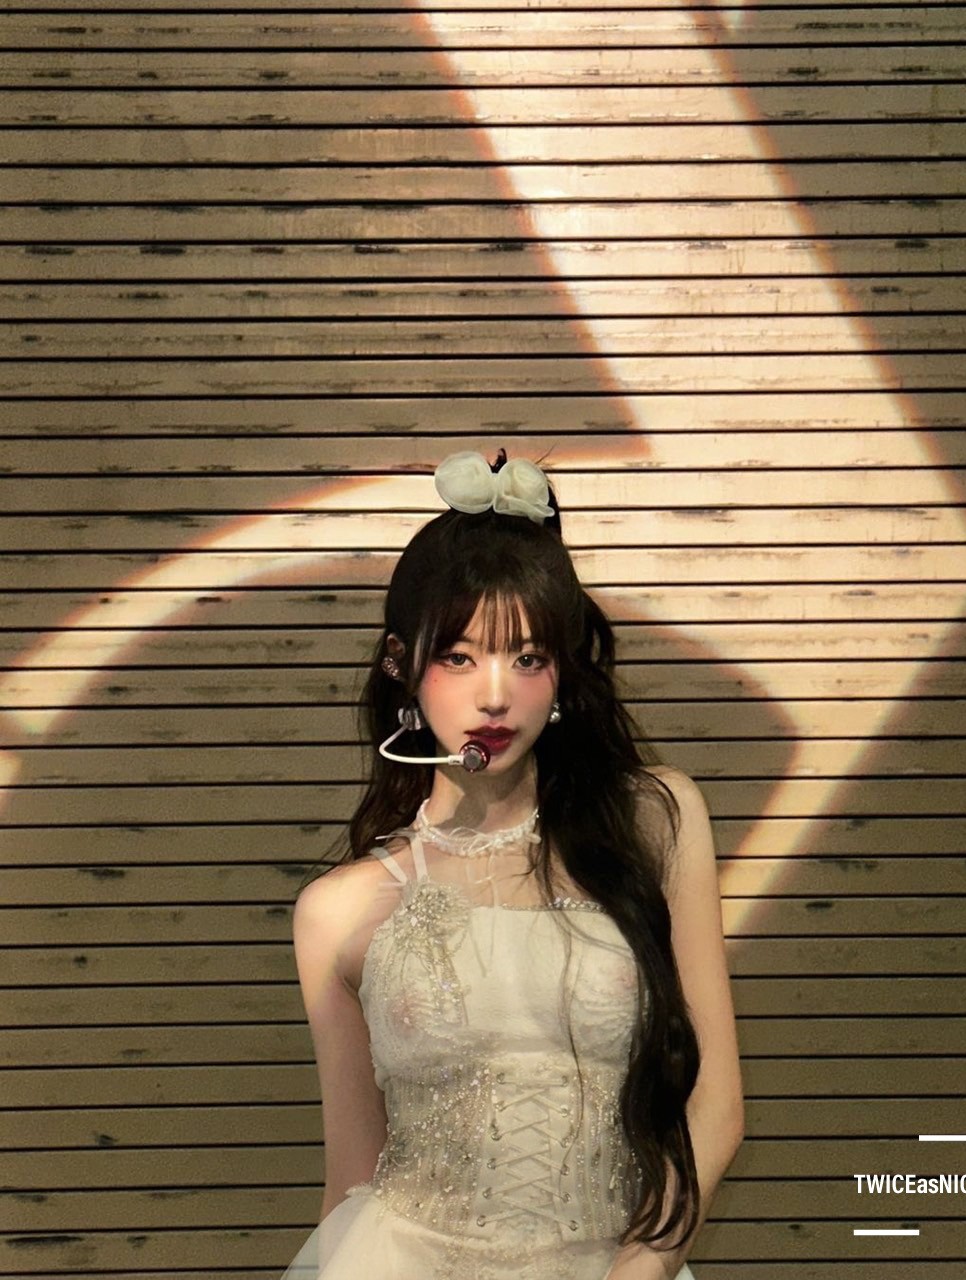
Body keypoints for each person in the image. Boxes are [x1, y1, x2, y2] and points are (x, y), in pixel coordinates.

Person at [279, 449, 744, 1280]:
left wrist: (638, 1271)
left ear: (562, 672)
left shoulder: (655, 820)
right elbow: (350, 1180)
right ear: (401, 665)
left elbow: (715, 1111)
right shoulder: (337, 910)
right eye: (459, 656)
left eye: (527, 658)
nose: (494, 695)